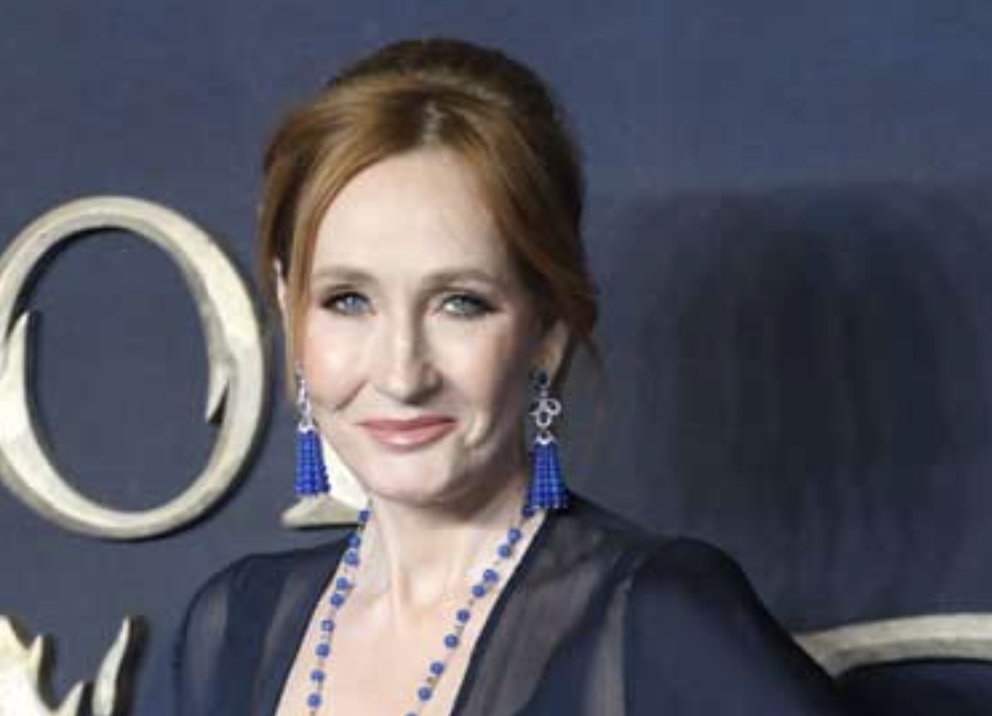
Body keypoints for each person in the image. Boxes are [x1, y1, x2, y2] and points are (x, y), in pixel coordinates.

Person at [171, 38, 851, 716]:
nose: (403, 373)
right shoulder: (234, 627)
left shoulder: (657, 616)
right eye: (348, 300)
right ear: (289, 307)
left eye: (460, 303)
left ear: (548, 330)